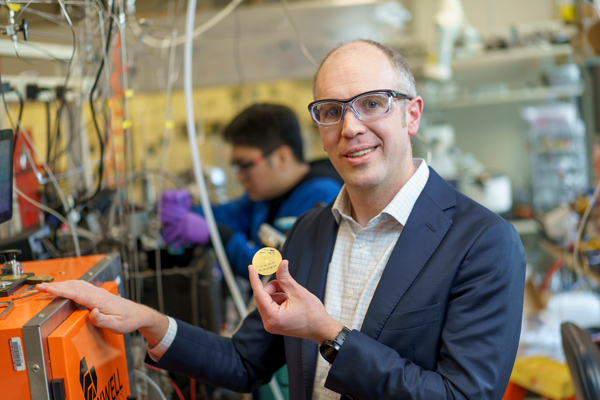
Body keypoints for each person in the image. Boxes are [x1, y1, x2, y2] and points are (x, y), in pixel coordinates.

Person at [37, 39, 526, 399]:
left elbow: (463, 396)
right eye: (331, 111)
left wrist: (329, 335)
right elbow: (246, 361)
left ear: (411, 115)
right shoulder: (311, 231)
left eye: (373, 104)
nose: (351, 127)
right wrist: (148, 321)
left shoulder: (483, 241)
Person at [159, 103, 342, 278]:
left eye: (245, 165)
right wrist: (184, 210)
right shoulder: (266, 196)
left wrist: (217, 237)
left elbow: (278, 271)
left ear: (282, 158)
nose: (239, 176)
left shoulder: (322, 197)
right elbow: (230, 215)